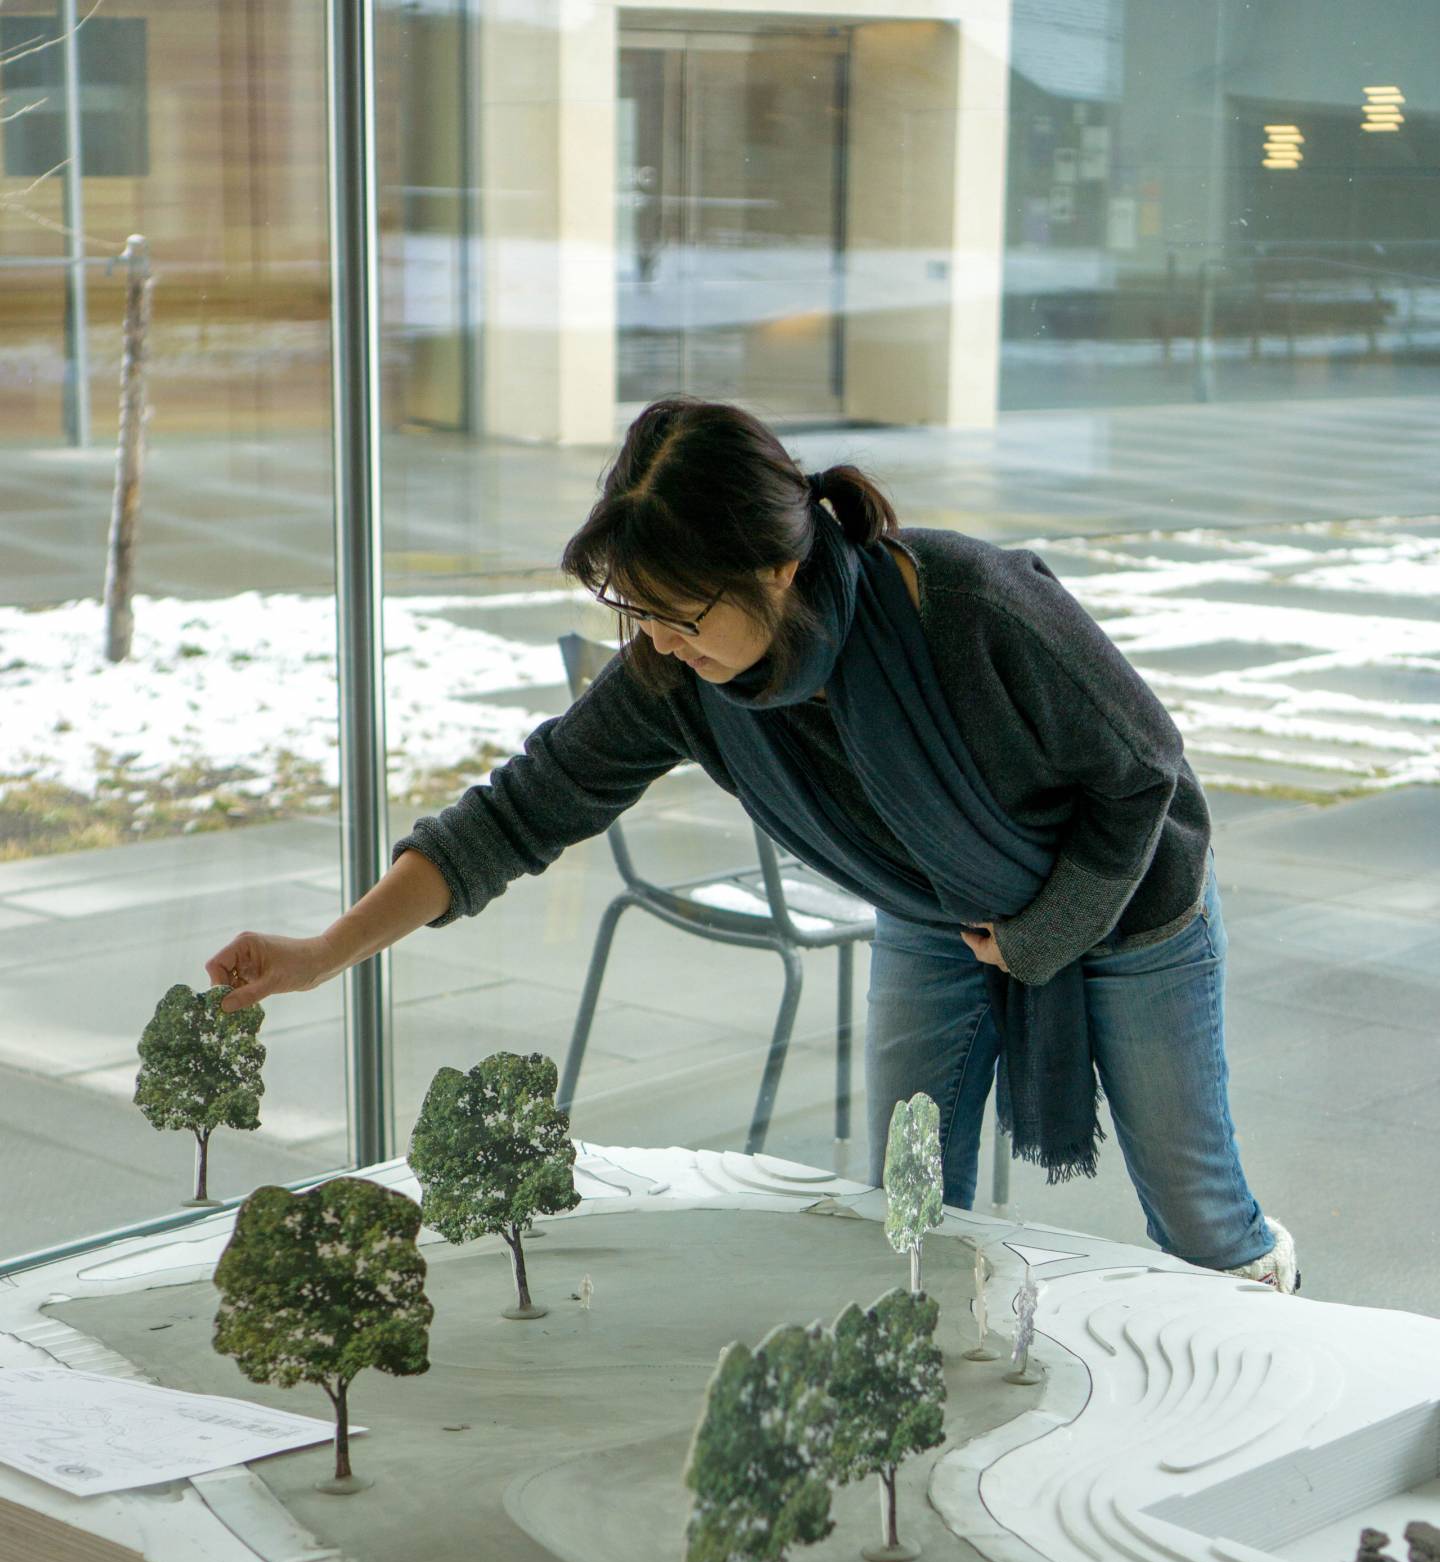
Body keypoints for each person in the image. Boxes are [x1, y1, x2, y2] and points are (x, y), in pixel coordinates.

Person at [207, 396, 1297, 1291]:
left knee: (1197, 1219)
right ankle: (929, 1381)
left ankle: (1282, 1341)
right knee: (910, 1208)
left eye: (681, 612)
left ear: (776, 568)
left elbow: (1145, 772)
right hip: (938, 915)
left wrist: (1046, 932)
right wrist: (323, 954)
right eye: (640, 612)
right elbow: (513, 815)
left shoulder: (966, 602)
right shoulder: (674, 677)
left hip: (1130, 897)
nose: (660, 642)